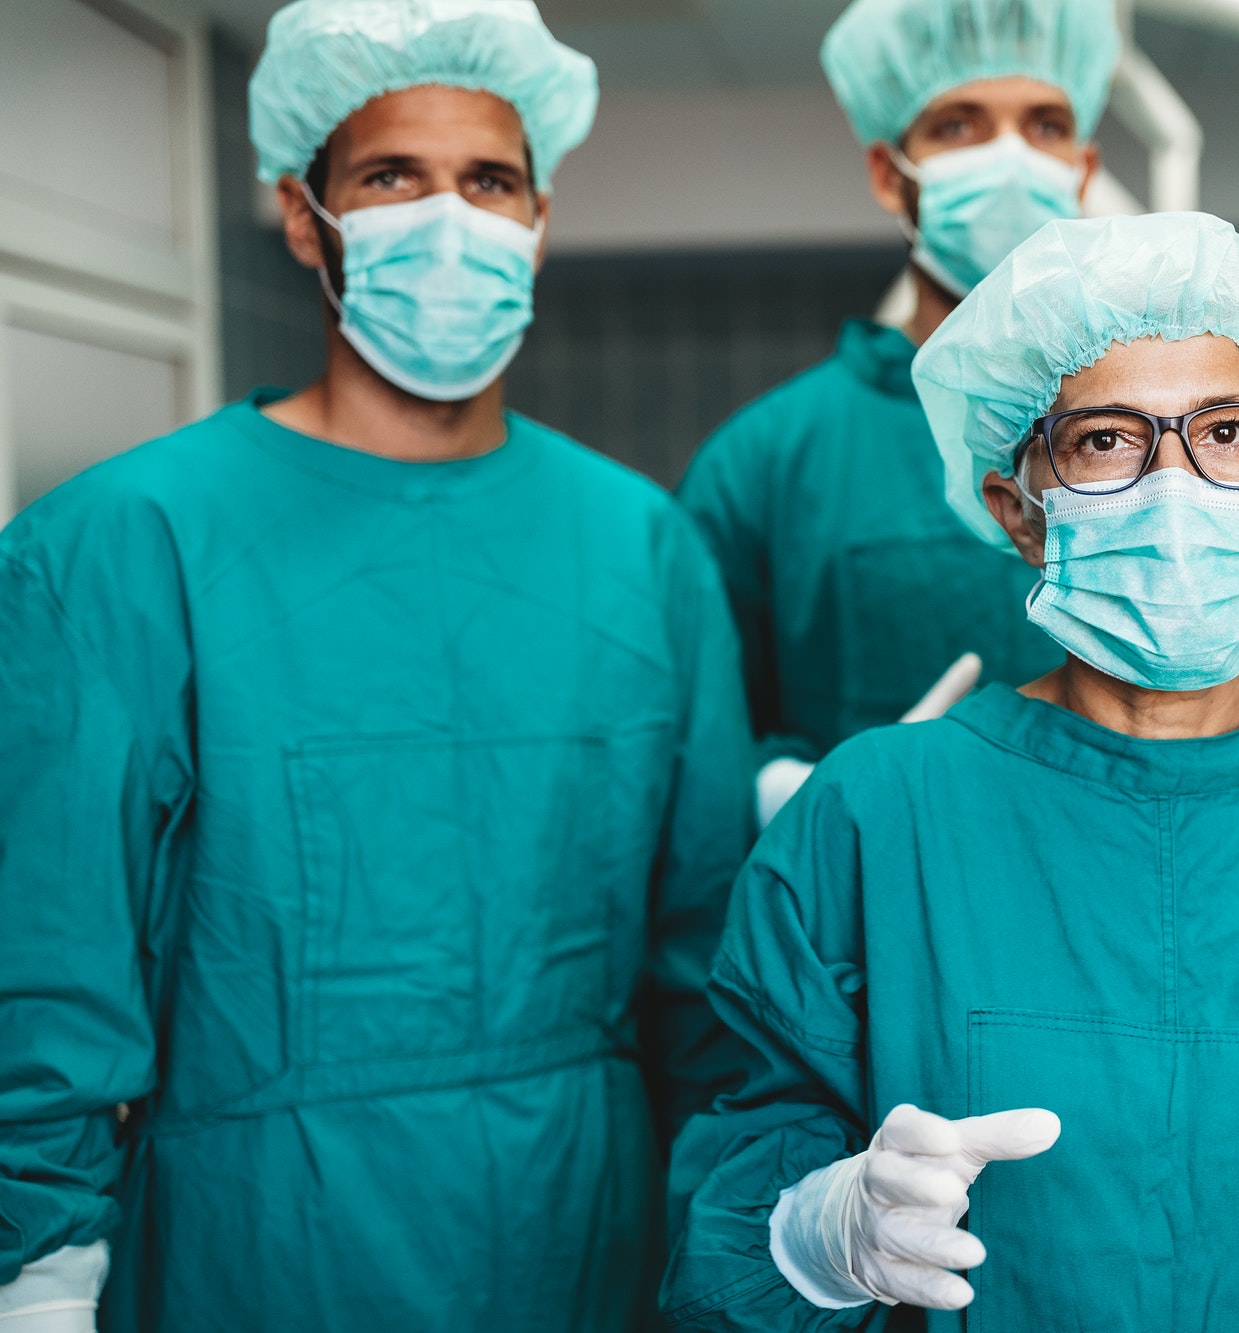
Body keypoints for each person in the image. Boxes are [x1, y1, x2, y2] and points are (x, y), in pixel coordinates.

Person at [662, 212, 1239, 1331]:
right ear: (1019, 510)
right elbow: (720, 1240)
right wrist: (818, 1237)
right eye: (1106, 440)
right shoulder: (871, 813)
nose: (1176, 485)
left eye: (1230, 433)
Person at [0, 4, 754, 1330]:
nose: (449, 217)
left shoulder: (644, 547)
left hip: (583, 1231)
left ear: (539, 221)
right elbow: (46, 964)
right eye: (392, 177)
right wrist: (39, 1273)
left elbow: (700, 977)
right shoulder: (127, 543)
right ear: (307, 219)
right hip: (256, 1246)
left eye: (490, 181)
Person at [676, 0, 1239, 828]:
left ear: (1083, 165)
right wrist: (789, 796)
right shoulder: (769, 462)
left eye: (1045, 124)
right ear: (887, 170)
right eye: (960, 125)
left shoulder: (1214, 458)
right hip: (896, 907)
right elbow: (694, 733)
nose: (1010, 157)